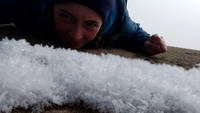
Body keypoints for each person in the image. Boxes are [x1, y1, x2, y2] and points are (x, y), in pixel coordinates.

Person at [0, 0, 167, 55]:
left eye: (90, 25)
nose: (75, 36)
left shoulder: (118, 22)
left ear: (104, 23)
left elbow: (136, 34)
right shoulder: (27, 5)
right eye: (65, 16)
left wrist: (148, 43)